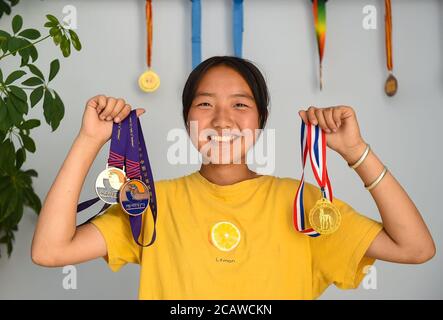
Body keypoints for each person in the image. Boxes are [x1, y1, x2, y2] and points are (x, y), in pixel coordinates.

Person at [31, 56, 435, 299]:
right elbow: (49, 251)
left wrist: (355, 152)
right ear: (188, 120)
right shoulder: (153, 203)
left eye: (240, 105)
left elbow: (416, 247)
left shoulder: (304, 204)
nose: (222, 119)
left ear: (260, 121)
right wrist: (90, 140)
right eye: (205, 104)